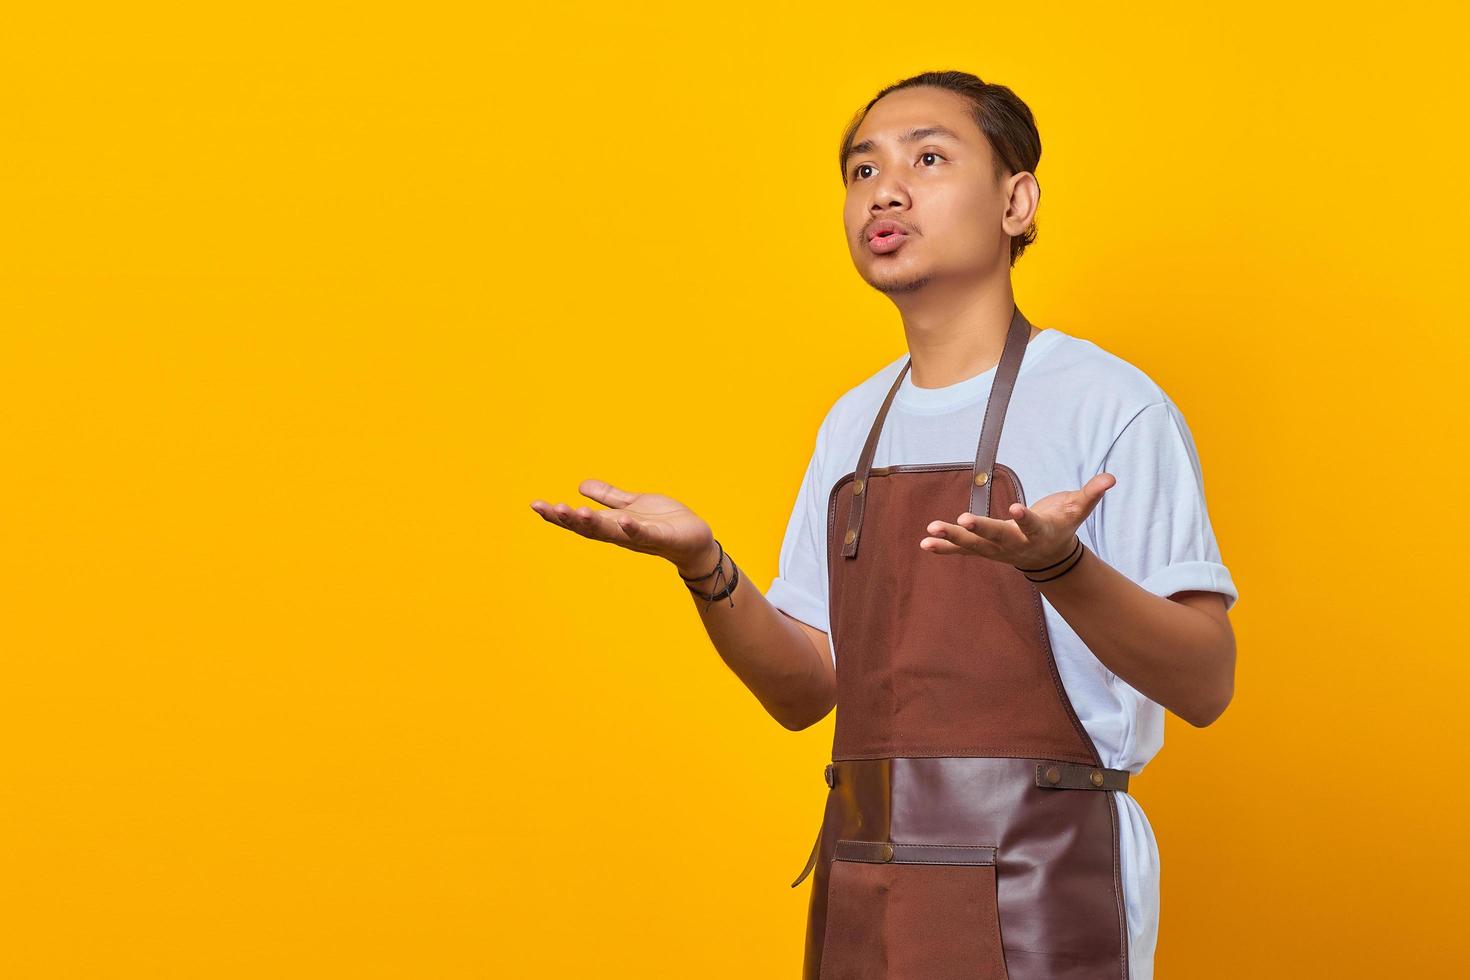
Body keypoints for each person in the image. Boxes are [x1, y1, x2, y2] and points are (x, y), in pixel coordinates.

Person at [531, 69, 1237, 980]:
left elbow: (1208, 682)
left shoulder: (1108, 405)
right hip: (867, 875)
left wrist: (1061, 568)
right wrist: (707, 568)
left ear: (1016, 200)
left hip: (1045, 877)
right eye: (861, 172)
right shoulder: (852, 424)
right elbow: (807, 693)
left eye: (929, 158)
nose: (885, 191)